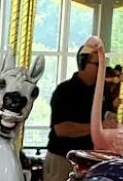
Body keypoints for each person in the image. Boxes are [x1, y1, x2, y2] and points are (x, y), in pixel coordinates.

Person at [44, 37, 114, 181]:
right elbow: (62, 129)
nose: (102, 68)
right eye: (97, 64)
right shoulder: (65, 91)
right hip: (64, 159)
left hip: (92, 160)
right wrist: (97, 127)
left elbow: (108, 116)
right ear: (83, 64)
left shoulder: (103, 90)